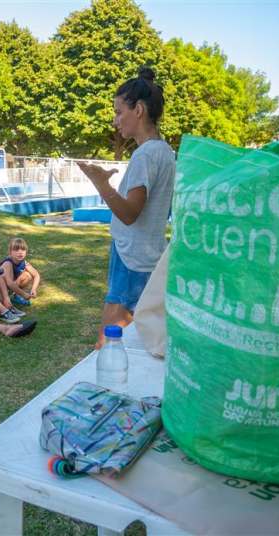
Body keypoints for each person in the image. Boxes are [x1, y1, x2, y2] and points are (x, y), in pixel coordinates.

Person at [76, 67, 175, 348]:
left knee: (107, 344)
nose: (115, 119)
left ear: (139, 110)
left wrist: (101, 184)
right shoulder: (164, 151)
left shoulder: (145, 155)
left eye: (119, 111)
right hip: (144, 256)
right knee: (134, 340)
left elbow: (130, 213)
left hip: (132, 258)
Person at [0, 238, 41, 307]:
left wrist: (33, 289)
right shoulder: (7, 263)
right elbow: (10, 283)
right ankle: (6, 298)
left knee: (27, 275)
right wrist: (23, 294)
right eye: (16, 250)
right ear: (10, 252)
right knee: (9, 279)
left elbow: (36, 275)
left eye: (23, 249)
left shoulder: (24, 263)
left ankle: (15, 296)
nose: (20, 252)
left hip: (10, 287)